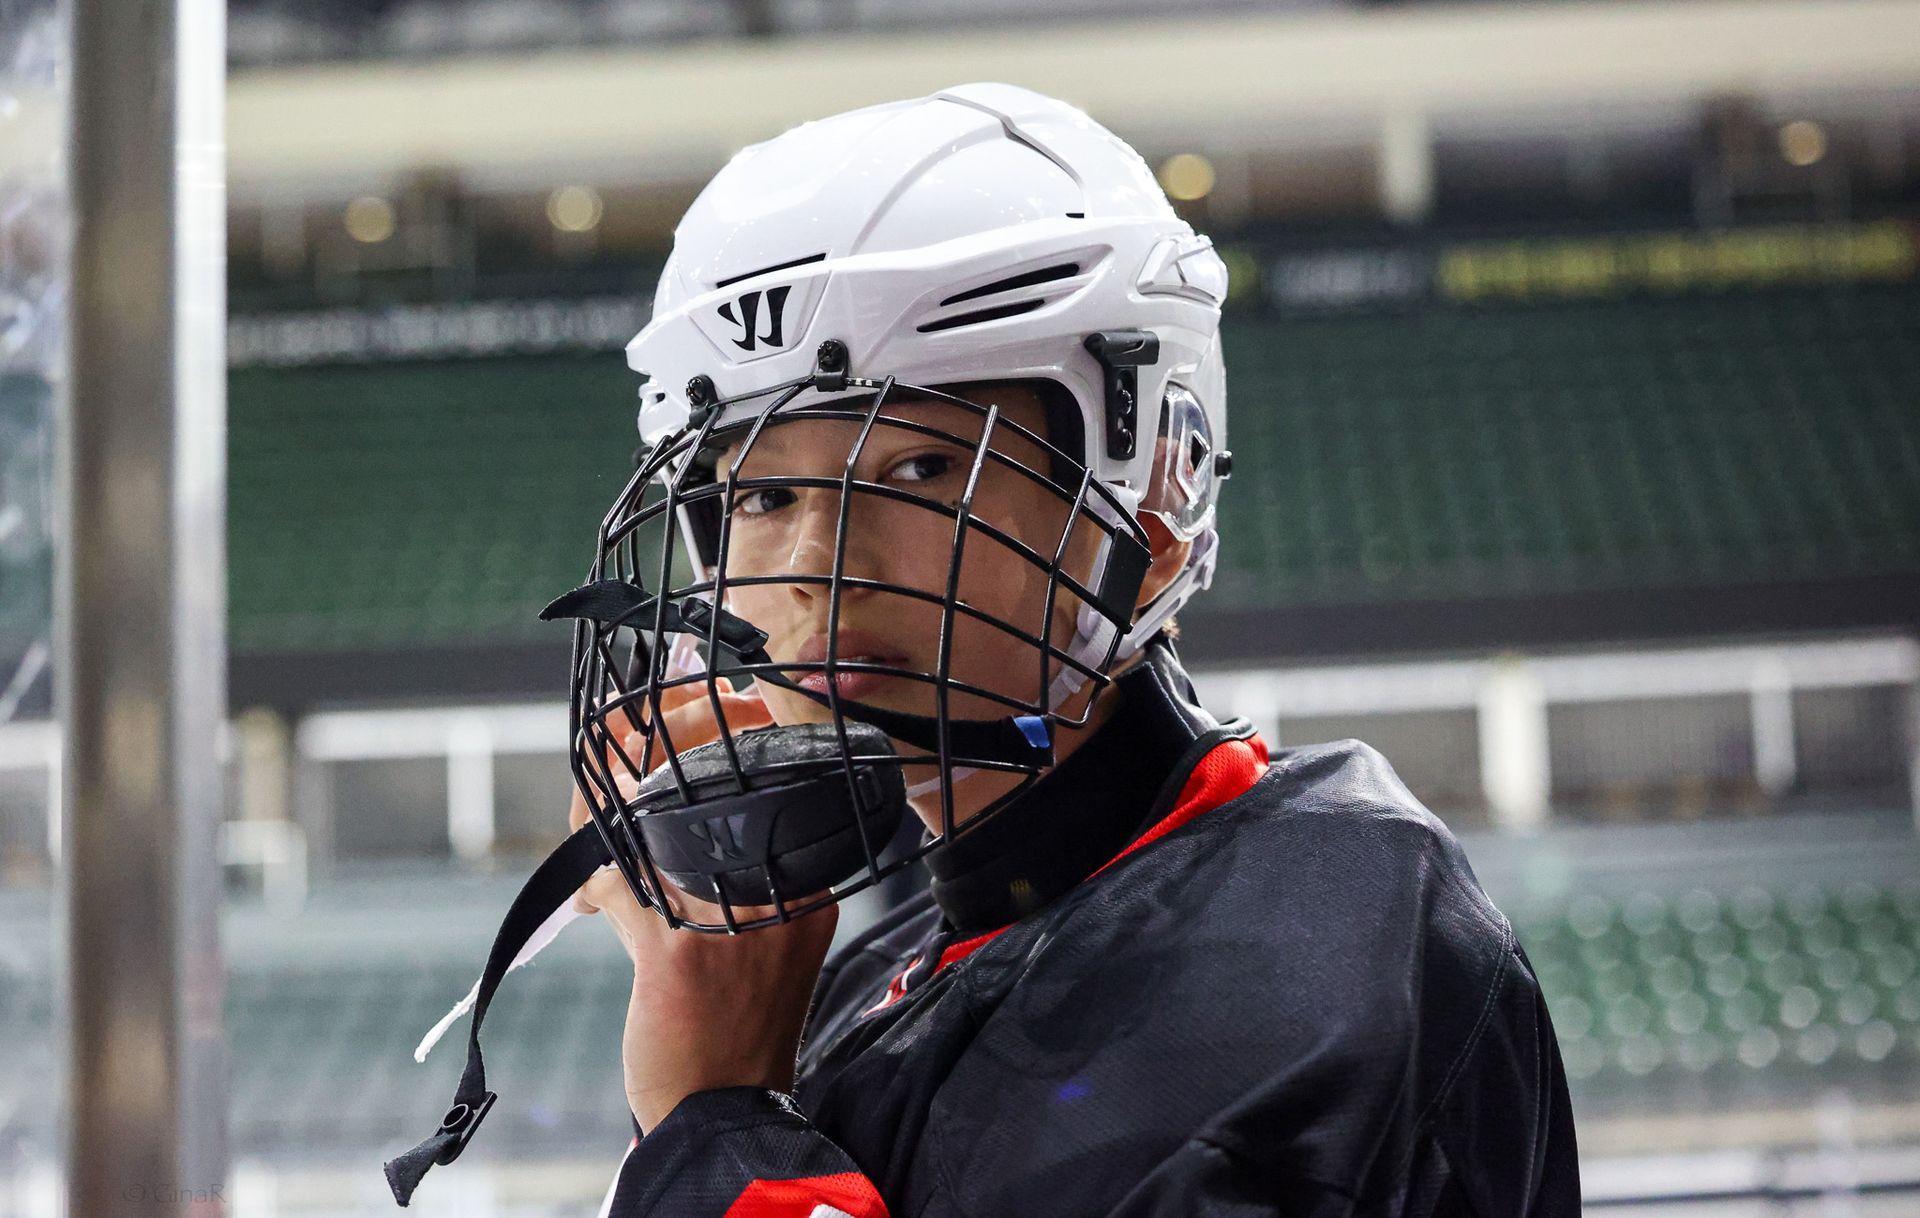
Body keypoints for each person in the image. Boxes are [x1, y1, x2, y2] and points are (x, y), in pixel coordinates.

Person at [386, 83, 1580, 1217]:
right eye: (759, 496)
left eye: (916, 469)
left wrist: (721, 1132)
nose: (813, 566)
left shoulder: (1325, 924)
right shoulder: (878, 972)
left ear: (1152, 501)